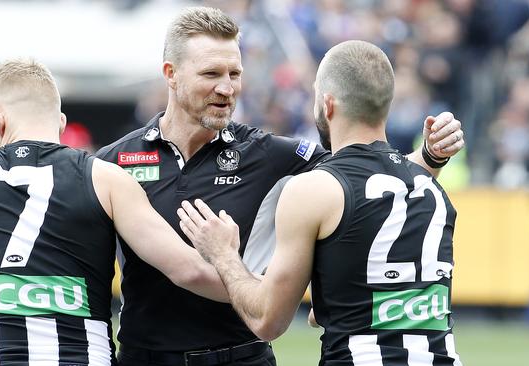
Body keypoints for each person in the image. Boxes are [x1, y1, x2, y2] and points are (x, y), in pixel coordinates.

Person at [96, 7, 464, 366]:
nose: (226, 88)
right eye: (211, 73)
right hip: (143, 356)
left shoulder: (271, 154)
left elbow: (372, 181)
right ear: (171, 73)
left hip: (242, 355)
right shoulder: (114, 161)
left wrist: (429, 156)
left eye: (235, 73)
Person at [0, 58, 228, 366]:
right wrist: (261, 290)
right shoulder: (106, 178)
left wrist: (5, 288)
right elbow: (189, 271)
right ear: (60, 122)